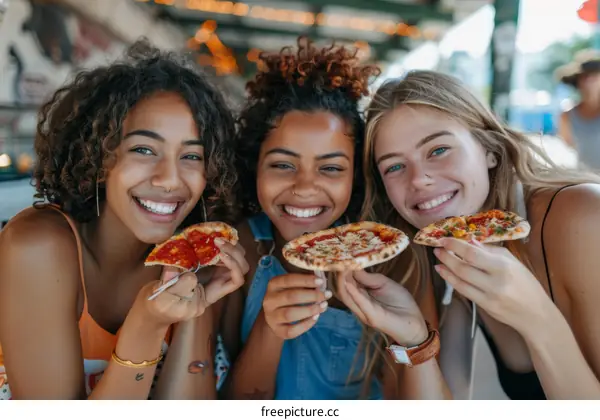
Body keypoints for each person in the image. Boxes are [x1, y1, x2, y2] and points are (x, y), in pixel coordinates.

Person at [0, 39, 248, 400]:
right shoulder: (37, 245)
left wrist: (198, 307)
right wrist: (148, 326)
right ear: (97, 156)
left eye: (192, 156)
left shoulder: (193, 256)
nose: (169, 179)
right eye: (144, 150)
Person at [222, 37, 451, 400]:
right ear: (254, 167)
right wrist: (270, 329)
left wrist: (411, 338)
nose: (305, 187)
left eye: (330, 168)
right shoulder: (240, 251)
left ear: (357, 176)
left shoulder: (395, 259)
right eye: (283, 165)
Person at [362, 69, 600, 400]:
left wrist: (537, 318)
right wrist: (415, 340)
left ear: (489, 149)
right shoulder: (440, 254)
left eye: (438, 150)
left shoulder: (584, 217)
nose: (418, 180)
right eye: (395, 167)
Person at [556, 49, 600, 171]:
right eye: (585, 76)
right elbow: (569, 143)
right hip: (586, 180)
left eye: (594, 75)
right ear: (577, 81)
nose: (589, 80)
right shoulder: (567, 115)